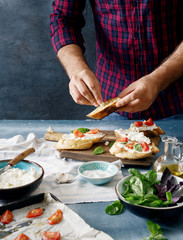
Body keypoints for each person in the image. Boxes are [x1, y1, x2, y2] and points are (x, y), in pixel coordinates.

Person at [50, 0, 183, 120]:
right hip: (114, 107)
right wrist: (76, 69)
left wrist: (157, 81)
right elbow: (62, 19)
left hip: (177, 102)